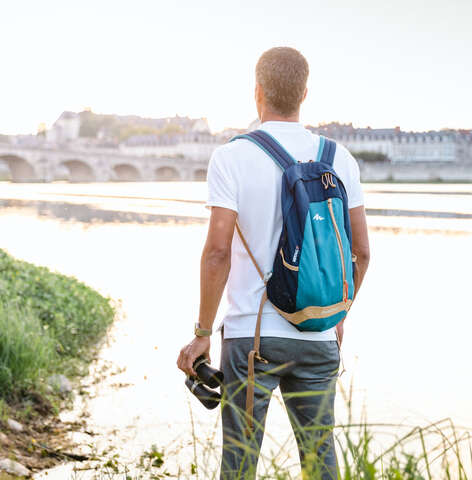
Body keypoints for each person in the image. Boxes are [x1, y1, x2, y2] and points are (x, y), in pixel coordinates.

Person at [177, 46, 370, 479]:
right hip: (319, 334)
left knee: (240, 464)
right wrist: (338, 314)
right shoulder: (340, 159)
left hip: (252, 338)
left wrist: (203, 334)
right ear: (305, 93)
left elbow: (217, 253)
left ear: (257, 91)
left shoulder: (232, 156)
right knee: (321, 460)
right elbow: (362, 253)